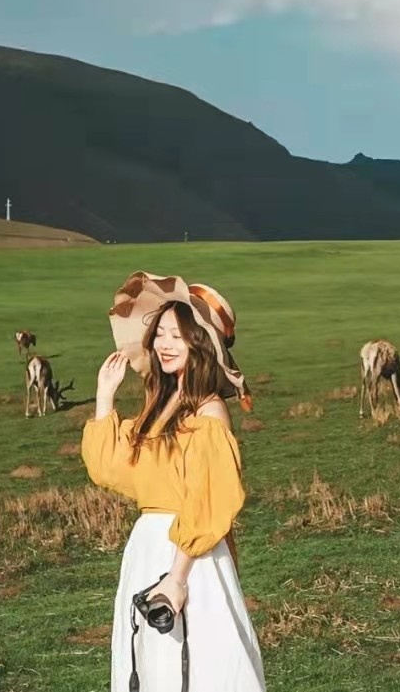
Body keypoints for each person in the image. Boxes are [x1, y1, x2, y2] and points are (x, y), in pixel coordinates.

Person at [82, 275, 266, 692]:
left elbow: (207, 499)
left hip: (189, 555)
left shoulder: (209, 412)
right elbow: (113, 470)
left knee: (199, 666)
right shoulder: (159, 408)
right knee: (152, 667)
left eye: (176, 336)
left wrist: (178, 579)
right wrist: (104, 398)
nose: (163, 344)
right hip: (147, 547)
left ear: (198, 343)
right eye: (159, 334)